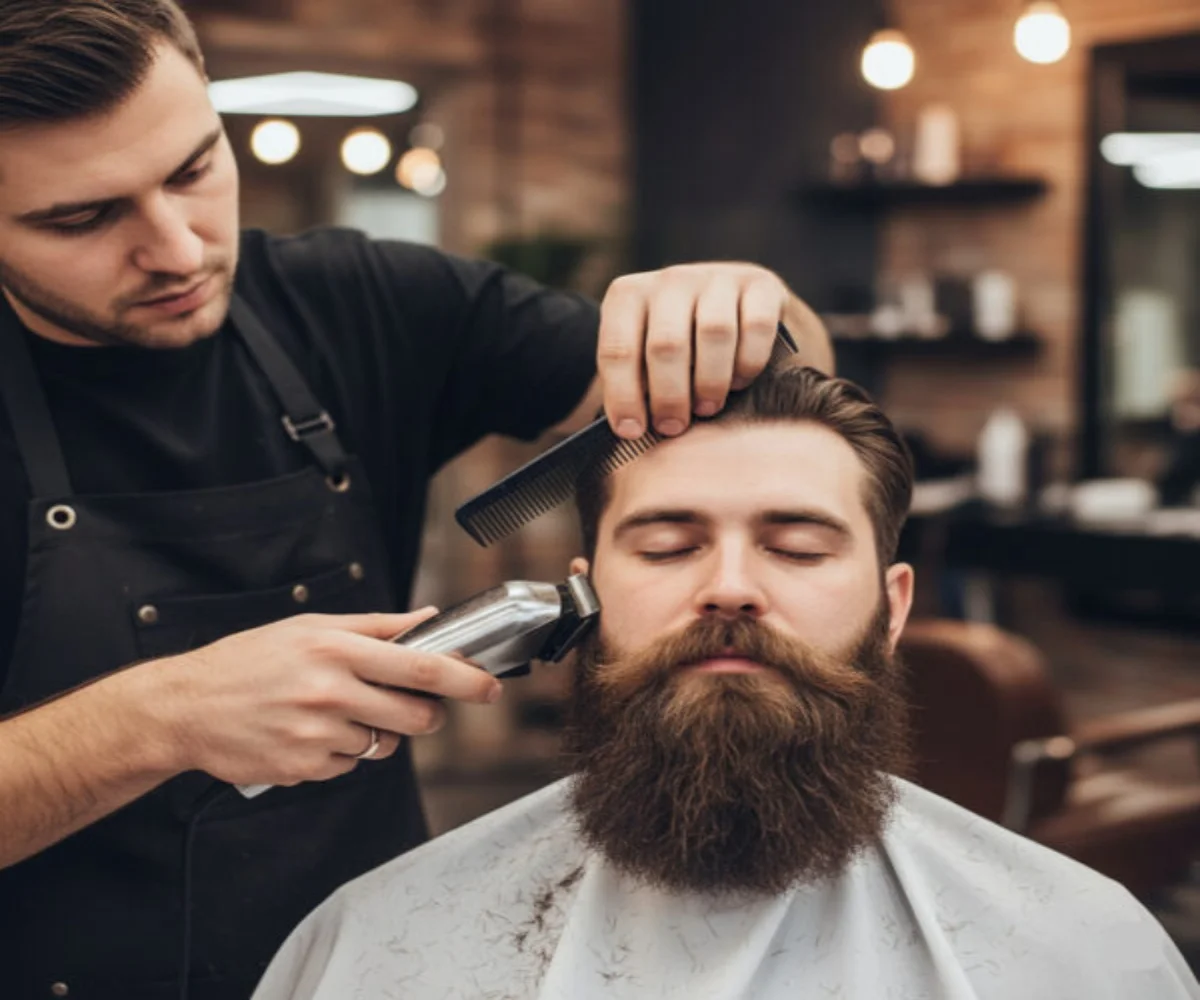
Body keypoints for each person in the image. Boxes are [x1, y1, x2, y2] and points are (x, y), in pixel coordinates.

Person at [0, 2, 834, 998]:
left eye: (193, 169)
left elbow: (781, 396)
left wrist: (748, 313)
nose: (178, 250)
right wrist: (158, 717)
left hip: (373, 967)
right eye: (83, 217)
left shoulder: (356, 302)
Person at [253, 365, 1200, 1000]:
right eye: (668, 546)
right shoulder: (375, 947)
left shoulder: (1082, 954)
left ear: (893, 605)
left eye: (795, 546)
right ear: (590, 593)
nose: (732, 587)